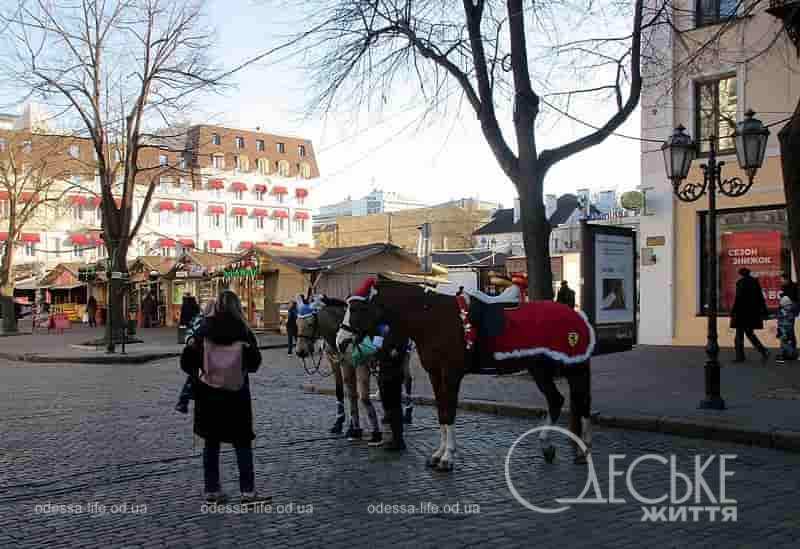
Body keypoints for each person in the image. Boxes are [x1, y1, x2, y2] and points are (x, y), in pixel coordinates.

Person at [180, 290, 264, 504]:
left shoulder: (203, 330)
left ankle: (212, 490)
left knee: (211, 443)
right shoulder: (244, 331)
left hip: (208, 396)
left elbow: (186, 363)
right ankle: (248, 492)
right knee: (242, 444)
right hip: (237, 396)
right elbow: (254, 364)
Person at [175, 300, 216, 414]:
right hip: (200, 354)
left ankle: (184, 400)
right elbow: (192, 333)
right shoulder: (203, 320)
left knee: (195, 377)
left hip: (202, 355)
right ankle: (185, 400)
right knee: (195, 376)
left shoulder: (211, 321)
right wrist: (190, 340)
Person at [731, 268, 770, 363]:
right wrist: (764, 312)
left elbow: (738, 298)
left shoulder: (740, 283)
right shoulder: (754, 282)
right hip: (752, 313)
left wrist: (733, 311)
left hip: (742, 313)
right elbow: (760, 297)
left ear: (741, 274)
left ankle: (740, 357)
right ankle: (764, 351)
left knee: (739, 336)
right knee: (749, 334)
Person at [776, 294, 798, 364]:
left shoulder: (783, 311)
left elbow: (779, 317)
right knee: (784, 342)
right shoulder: (791, 311)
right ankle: (785, 354)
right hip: (787, 329)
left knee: (784, 342)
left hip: (783, 329)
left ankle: (793, 353)